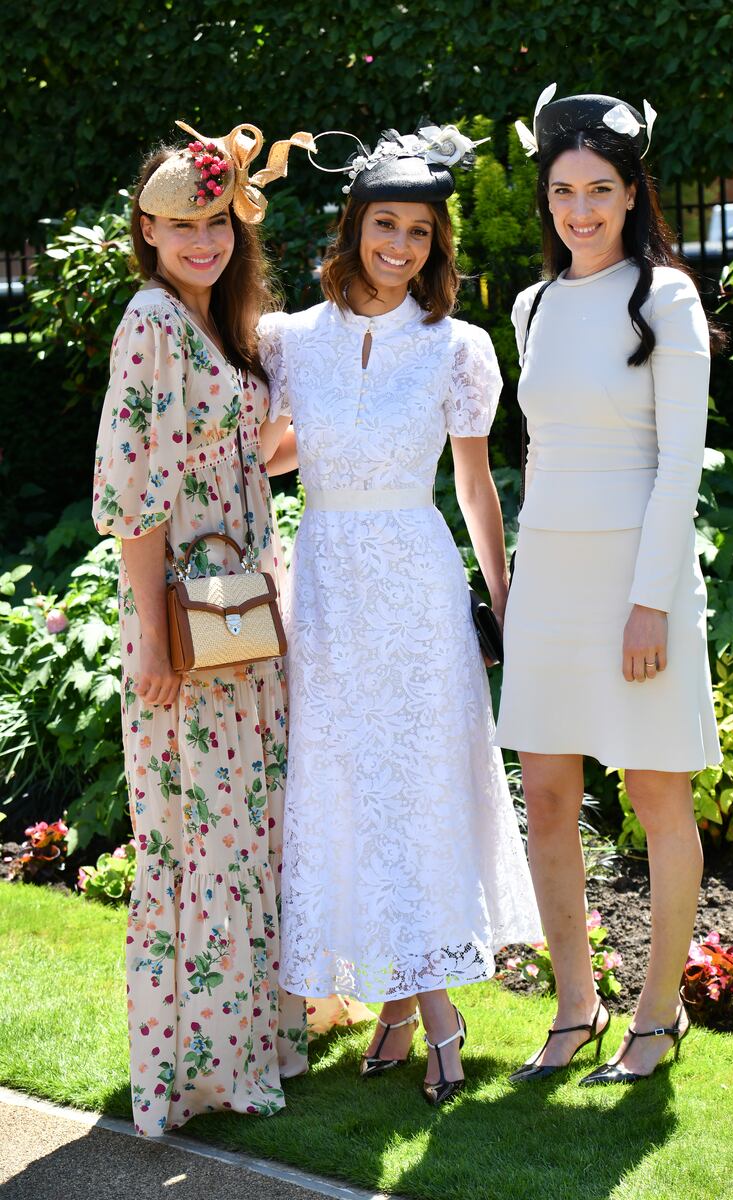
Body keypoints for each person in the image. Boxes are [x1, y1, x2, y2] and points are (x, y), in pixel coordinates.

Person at [92, 119, 368, 1136]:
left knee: (250, 834)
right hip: (185, 626)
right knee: (199, 842)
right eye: (179, 226)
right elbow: (134, 493)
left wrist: (357, 429)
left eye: (214, 220)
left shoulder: (221, 322)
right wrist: (153, 644)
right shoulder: (150, 321)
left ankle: (258, 1043)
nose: (200, 240)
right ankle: (199, 1069)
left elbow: (250, 453)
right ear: (148, 231)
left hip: (241, 618)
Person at [258, 124, 540, 1106]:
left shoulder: (458, 349)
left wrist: (503, 605)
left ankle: (425, 1007)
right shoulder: (287, 340)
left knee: (411, 793)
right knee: (349, 787)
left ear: (434, 245)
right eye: (386, 224)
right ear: (353, 226)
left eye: (420, 231)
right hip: (328, 584)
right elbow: (281, 451)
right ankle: (414, 1007)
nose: (401, 246)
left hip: (417, 589)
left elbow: (474, 489)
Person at [496, 86, 722, 1086]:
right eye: (560, 191)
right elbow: (540, 452)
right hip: (549, 571)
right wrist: (517, 581)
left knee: (652, 794)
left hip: (640, 578)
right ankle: (575, 1006)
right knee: (545, 796)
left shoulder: (665, 296)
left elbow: (679, 462)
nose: (578, 209)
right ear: (544, 199)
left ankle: (658, 1014)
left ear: (630, 195)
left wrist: (649, 601)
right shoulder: (530, 306)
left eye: (598, 190)